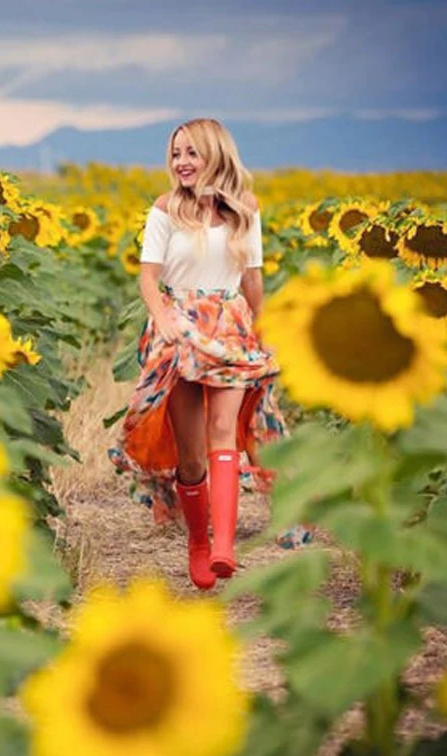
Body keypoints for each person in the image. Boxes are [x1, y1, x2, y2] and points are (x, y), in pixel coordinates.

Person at [108, 117, 303, 591]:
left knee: (223, 433)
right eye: (176, 154)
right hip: (179, 333)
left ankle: (223, 549)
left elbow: (253, 278)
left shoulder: (245, 211)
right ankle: (198, 542)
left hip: (230, 326)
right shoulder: (165, 210)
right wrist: (164, 320)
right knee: (191, 457)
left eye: (191, 153)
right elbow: (148, 278)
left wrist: (265, 330)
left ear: (216, 154)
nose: (181, 163)